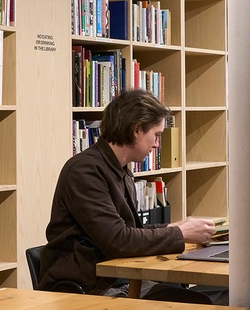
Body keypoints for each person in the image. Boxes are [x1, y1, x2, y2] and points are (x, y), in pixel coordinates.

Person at [39, 88, 215, 294]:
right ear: (137, 130)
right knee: (198, 305)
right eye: (156, 135)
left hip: (115, 278)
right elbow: (118, 241)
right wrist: (180, 233)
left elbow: (128, 231)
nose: (157, 145)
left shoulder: (118, 169)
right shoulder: (85, 170)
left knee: (209, 297)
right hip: (89, 286)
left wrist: (173, 227)